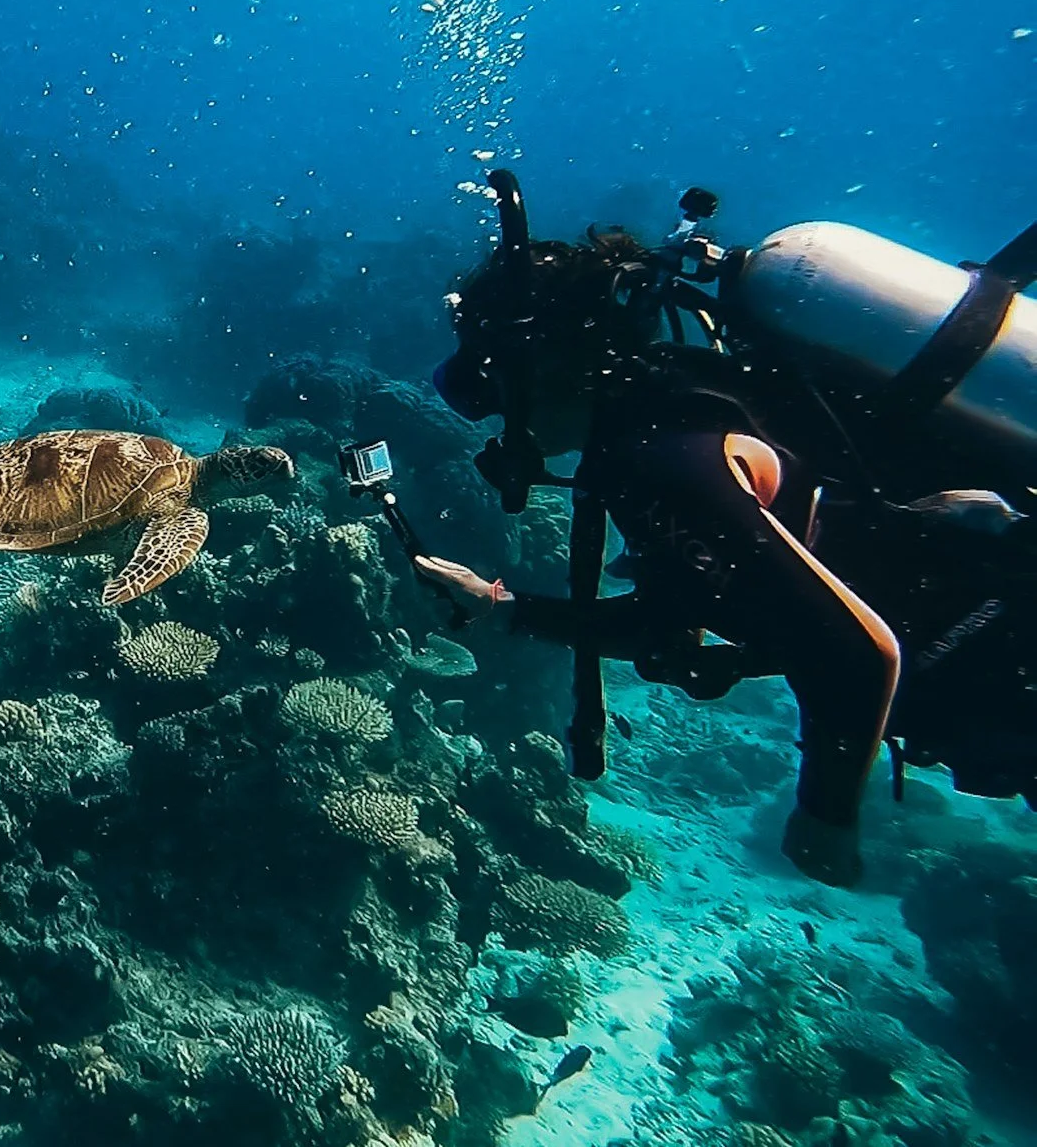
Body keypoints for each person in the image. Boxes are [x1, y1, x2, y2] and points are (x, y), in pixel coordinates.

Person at [408, 171, 1037, 886]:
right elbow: (668, 616)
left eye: (493, 376)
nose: (491, 408)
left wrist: (824, 817)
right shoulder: (658, 419)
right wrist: (511, 612)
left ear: (550, 361)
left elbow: (859, 653)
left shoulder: (664, 458)